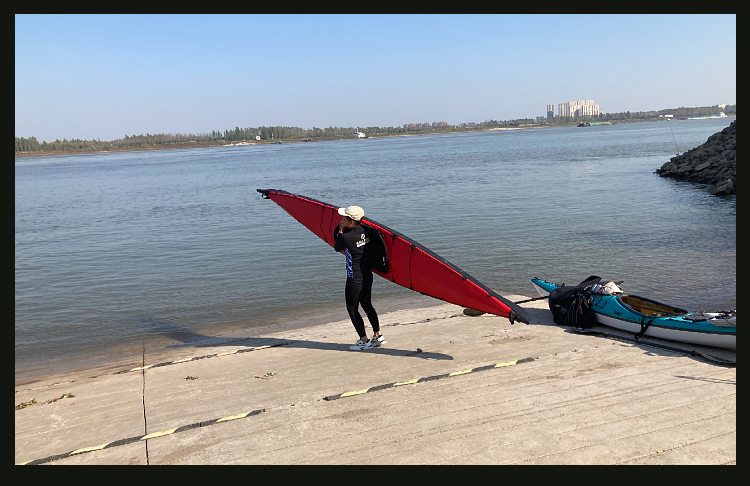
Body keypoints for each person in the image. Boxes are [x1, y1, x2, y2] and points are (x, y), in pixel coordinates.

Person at [333, 205, 385, 351]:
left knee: (352, 309)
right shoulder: (366, 231)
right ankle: (378, 335)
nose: (341, 219)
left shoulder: (346, 237)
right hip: (367, 275)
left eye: (344, 218)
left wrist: (341, 230)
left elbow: (337, 247)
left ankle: (364, 341)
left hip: (354, 277)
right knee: (367, 305)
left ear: (351, 222)